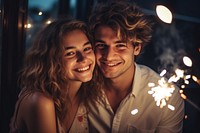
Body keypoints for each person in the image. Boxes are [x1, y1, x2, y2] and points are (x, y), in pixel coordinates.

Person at [88, 1, 185, 133]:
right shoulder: (82, 86)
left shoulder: (168, 98)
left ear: (137, 48)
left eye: (120, 45)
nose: (109, 56)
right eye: (101, 45)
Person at [9, 19, 99, 133]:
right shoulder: (40, 101)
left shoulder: (88, 95)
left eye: (86, 49)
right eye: (70, 53)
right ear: (52, 60)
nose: (83, 58)